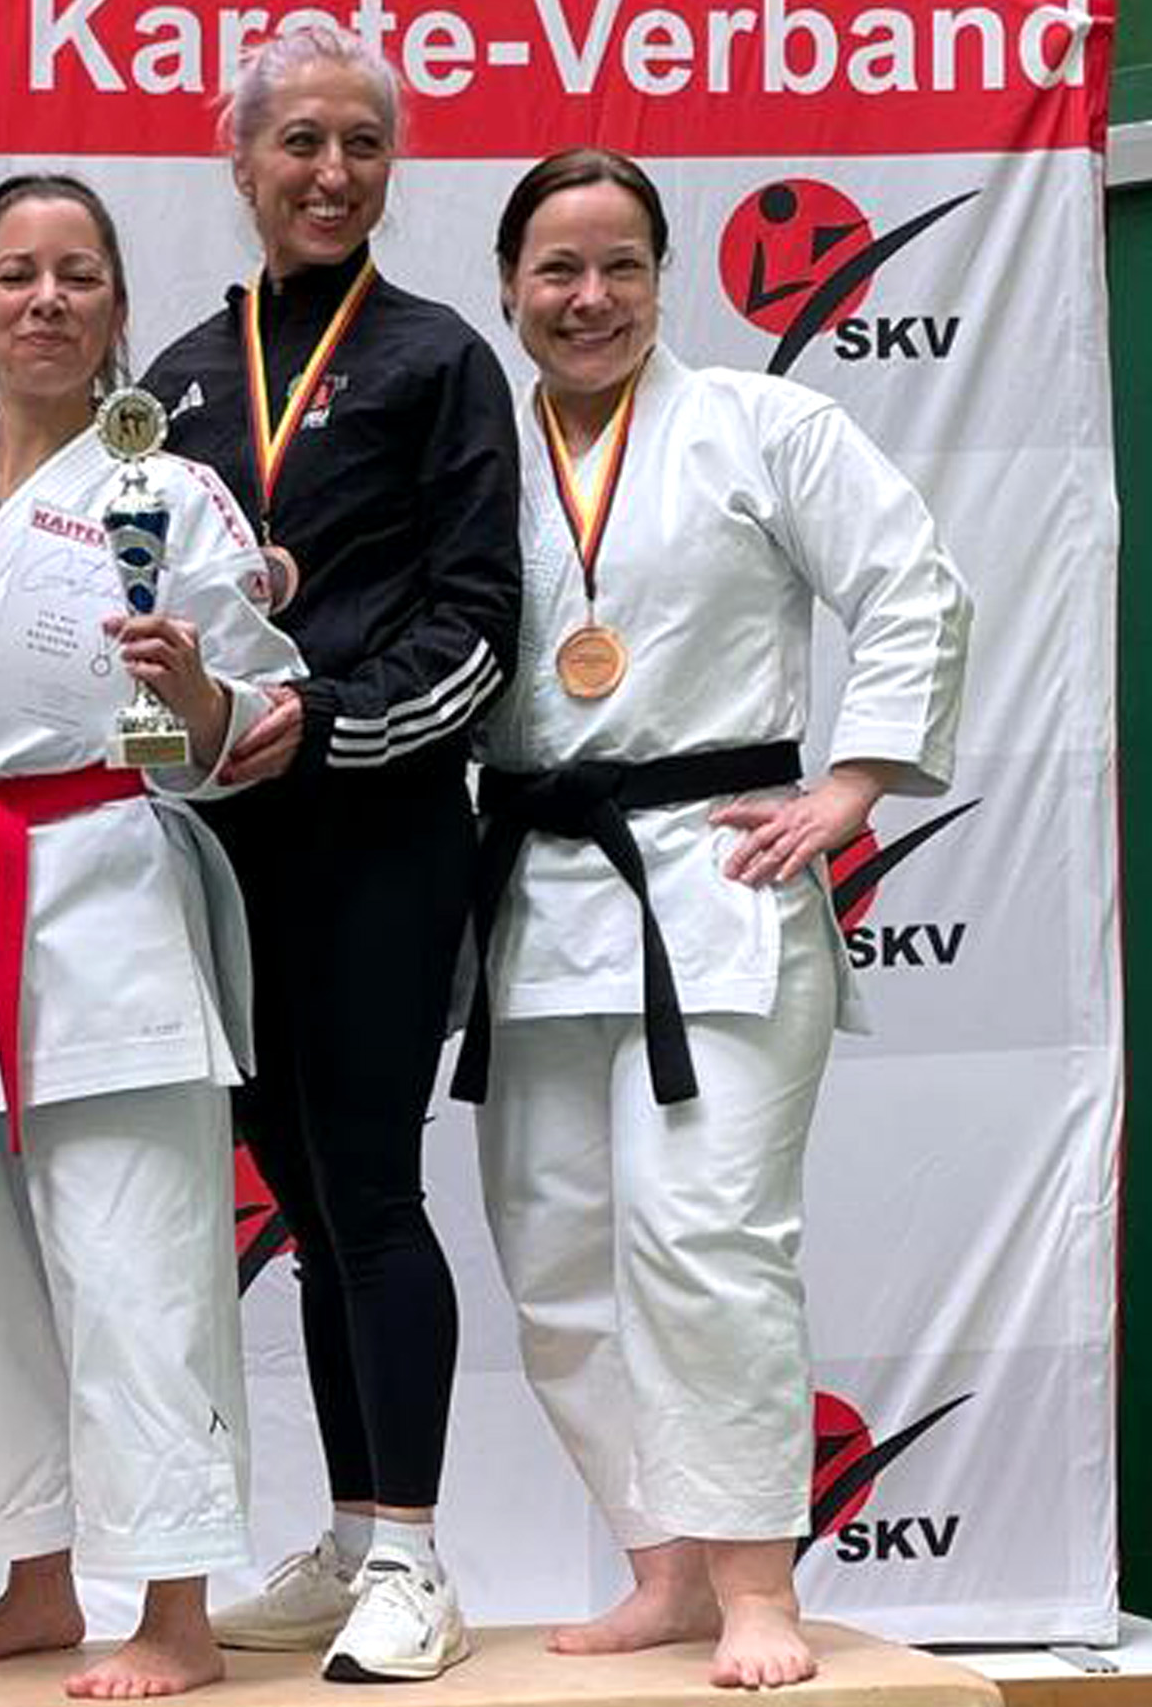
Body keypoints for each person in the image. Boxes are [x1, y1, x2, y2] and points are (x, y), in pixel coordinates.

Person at [456, 147, 971, 1691]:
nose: (589, 298)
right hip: (535, 888)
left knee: (705, 1240)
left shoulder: (762, 422)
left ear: (661, 279)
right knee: (555, 1253)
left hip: (716, 882)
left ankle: (755, 1582)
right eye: (557, 269)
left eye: (619, 266)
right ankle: (664, 1568)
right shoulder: (469, 451)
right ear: (506, 286)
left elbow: (911, 584)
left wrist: (853, 784)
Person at [140, 27, 521, 1682]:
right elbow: (143, 600)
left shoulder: (439, 359)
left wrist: (331, 720)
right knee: (297, 1197)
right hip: (225, 845)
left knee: (366, 1187)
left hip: (378, 830)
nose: (329, 172)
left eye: (360, 143)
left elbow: (480, 625)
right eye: (298, 141)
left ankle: (419, 1559)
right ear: (240, 162)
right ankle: (358, 1535)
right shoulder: (175, 376)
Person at [0, 174, 304, 1700]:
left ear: (119, 309)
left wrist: (195, 694)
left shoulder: (173, 496)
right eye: (16, 274)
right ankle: (33, 1581)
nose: (46, 300)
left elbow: (253, 720)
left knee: (139, 1267)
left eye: (77, 275)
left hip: (106, 896)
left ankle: (176, 1607)